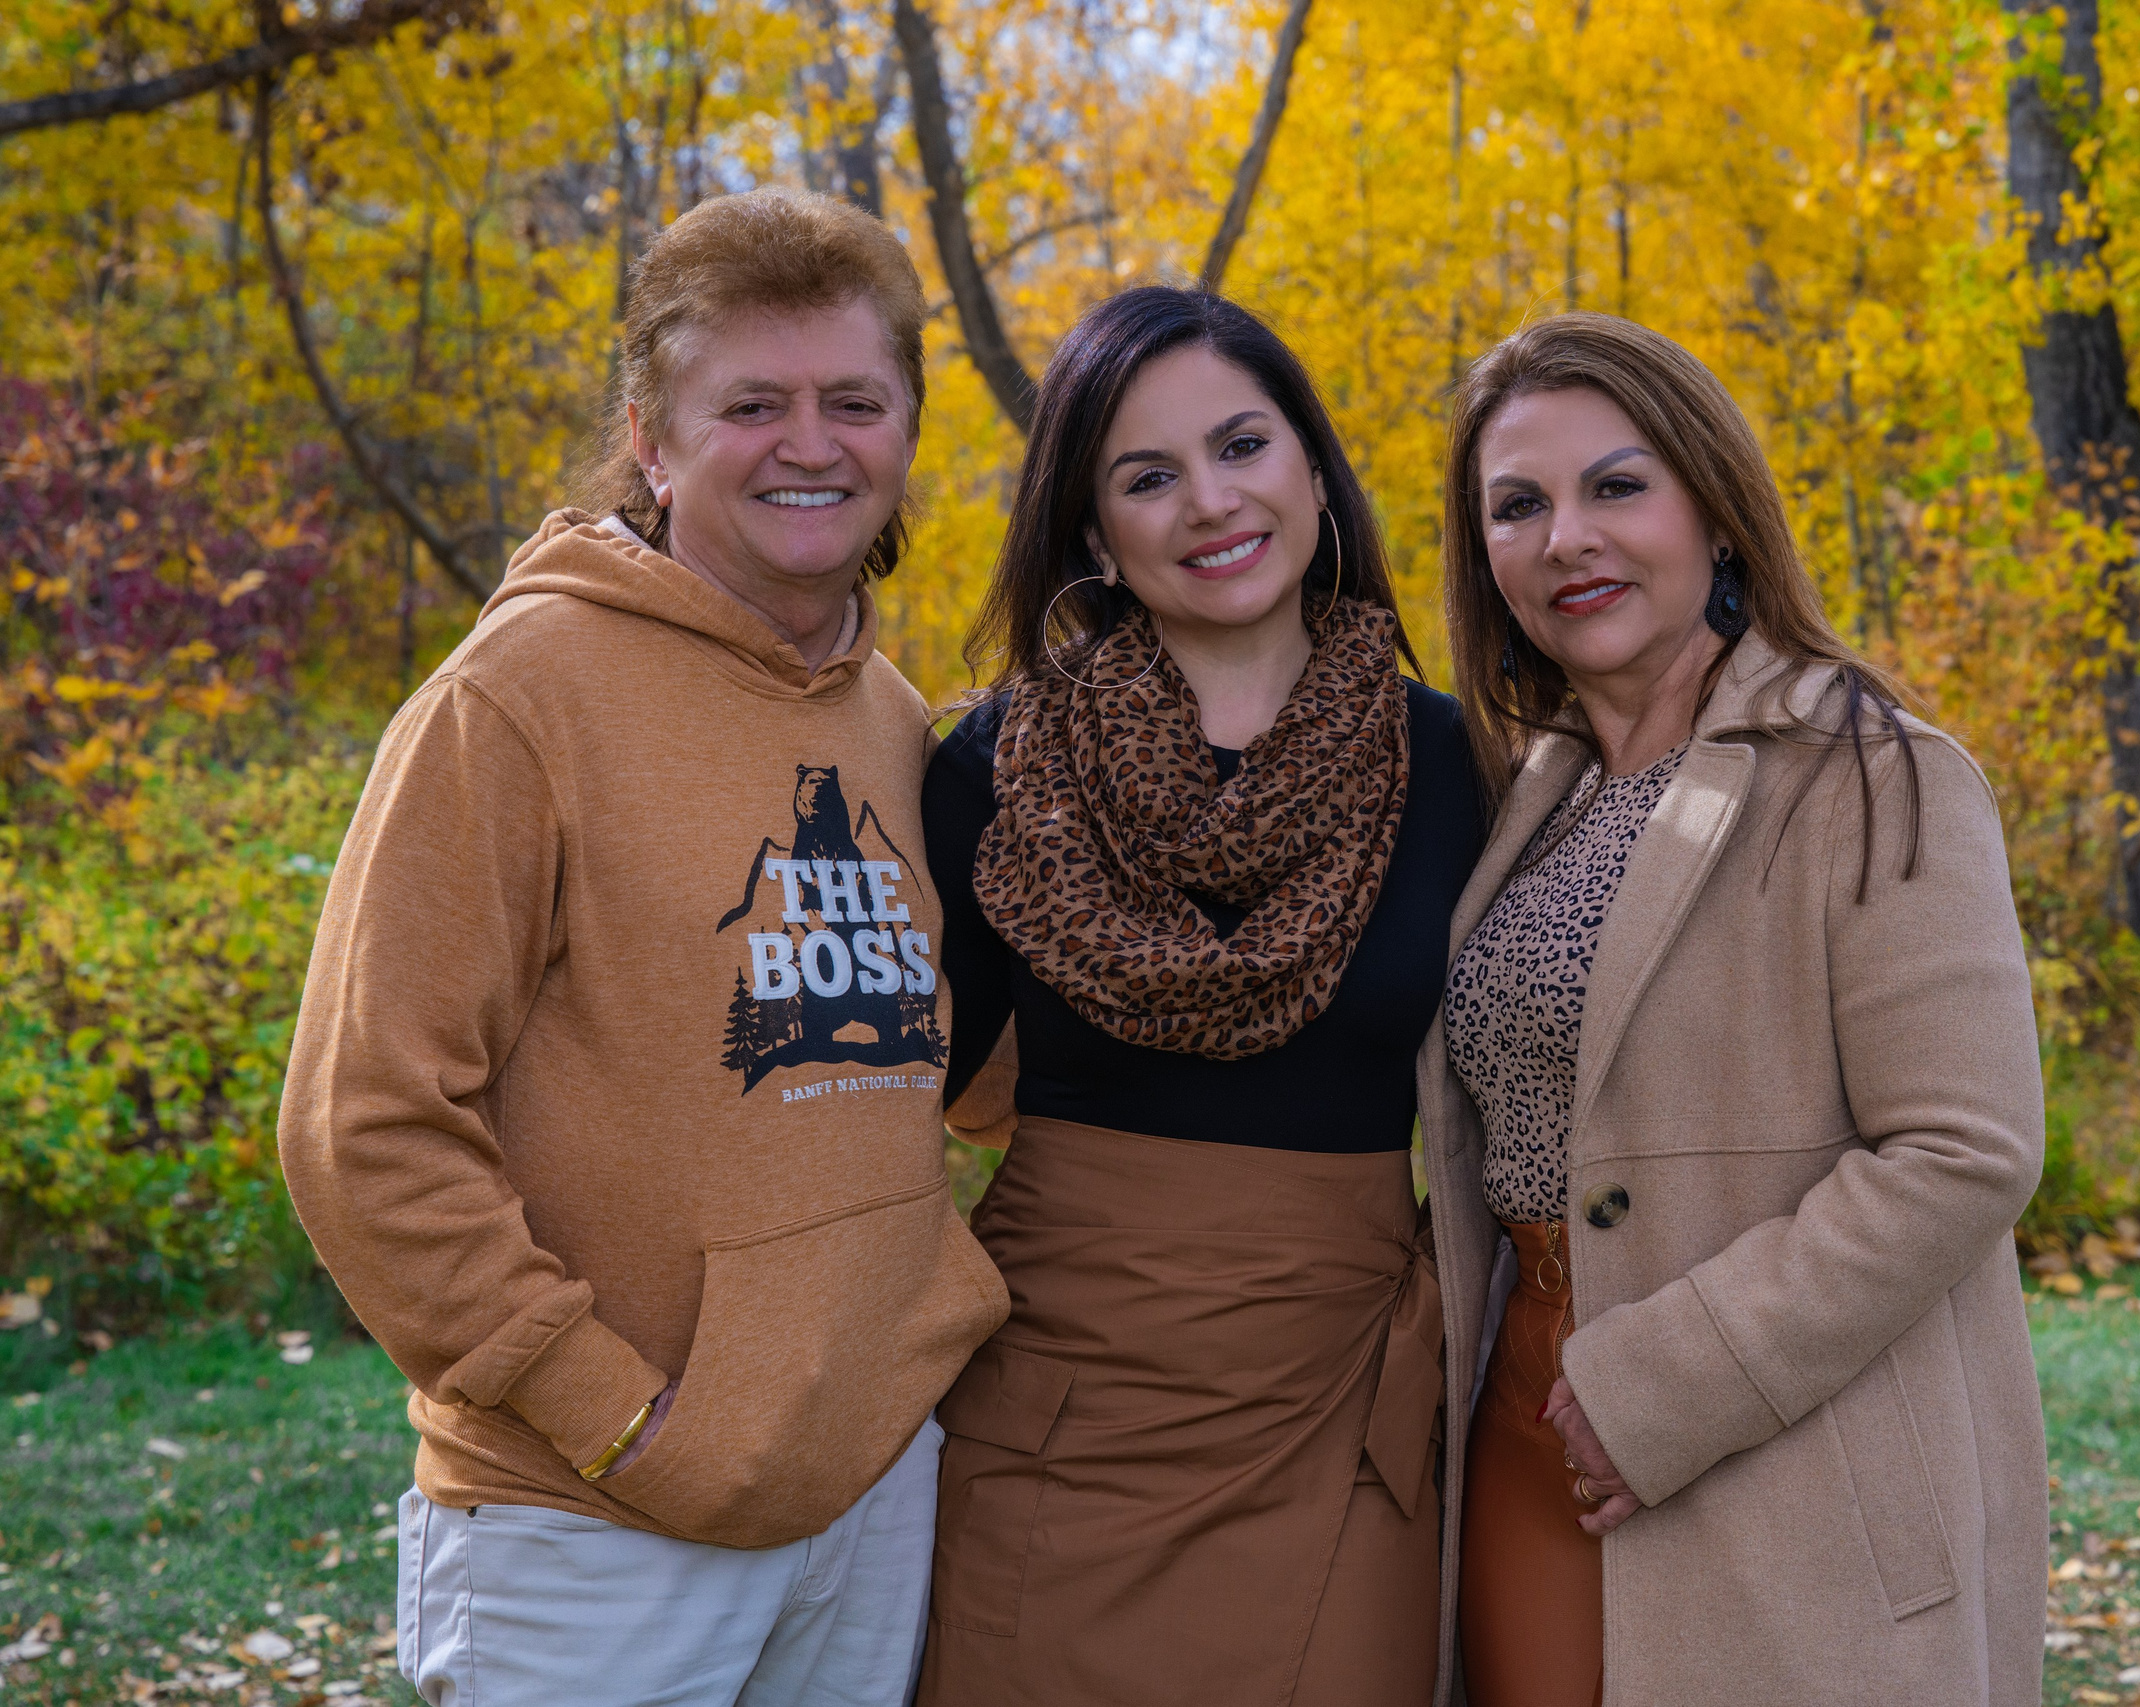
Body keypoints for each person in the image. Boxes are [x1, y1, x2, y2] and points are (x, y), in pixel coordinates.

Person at [276, 187, 1007, 1707]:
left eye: (854, 401)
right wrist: (610, 1412)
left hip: (867, 1495)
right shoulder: (519, 698)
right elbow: (364, 1130)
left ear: (906, 434)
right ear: (653, 441)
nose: (812, 444)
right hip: (592, 1526)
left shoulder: (890, 721)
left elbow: (941, 1072)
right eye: (752, 404)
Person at [1422, 313, 2049, 1707]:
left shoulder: (1874, 768)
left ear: (1713, 508)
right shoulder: (1530, 799)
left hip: (1774, 1435)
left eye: (1617, 485)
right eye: (1518, 506)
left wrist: (1667, 1382)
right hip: (1522, 1420)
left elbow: (1966, 1150)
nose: (1566, 535)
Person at [916, 286, 1486, 1707]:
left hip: (1336, 1407)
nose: (1209, 503)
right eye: (1148, 476)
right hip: (1061, 1412)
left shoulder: (1463, 769)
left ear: (1310, 467)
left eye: (1242, 447)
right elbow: (870, 1096)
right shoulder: (994, 769)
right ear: (1095, 533)